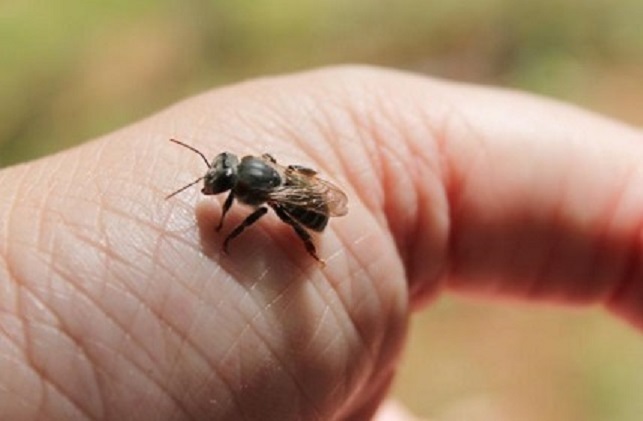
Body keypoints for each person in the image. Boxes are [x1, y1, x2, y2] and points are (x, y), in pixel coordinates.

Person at [0, 66, 641, 420]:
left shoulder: (265, 195)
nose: (216, 178)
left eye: (219, 175)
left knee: (288, 223)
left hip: (294, 197)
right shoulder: (257, 171)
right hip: (289, 183)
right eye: (217, 172)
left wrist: (229, 233)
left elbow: (275, 203)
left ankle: (308, 251)